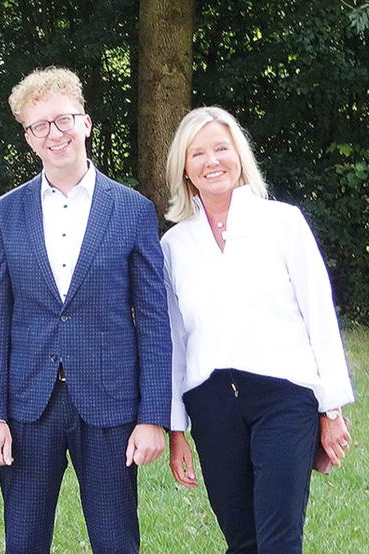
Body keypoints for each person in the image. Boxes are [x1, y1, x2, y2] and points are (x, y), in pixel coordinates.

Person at [0, 67, 171, 553]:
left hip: (109, 403)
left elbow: (153, 320)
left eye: (62, 119)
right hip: (28, 405)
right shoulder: (6, 212)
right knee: (23, 541)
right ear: (28, 138)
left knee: (116, 541)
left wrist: (153, 415)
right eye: (39, 126)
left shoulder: (132, 209)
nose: (54, 133)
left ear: (85, 123)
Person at [161, 106, 355, 553]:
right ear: (185, 168)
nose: (212, 161)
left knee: (279, 540)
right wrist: (176, 429)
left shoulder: (283, 223)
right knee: (242, 541)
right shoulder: (173, 245)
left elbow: (319, 314)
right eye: (198, 153)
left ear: (240, 156)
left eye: (221, 149)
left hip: (284, 397)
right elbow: (174, 341)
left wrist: (331, 410)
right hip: (211, 403)